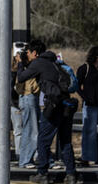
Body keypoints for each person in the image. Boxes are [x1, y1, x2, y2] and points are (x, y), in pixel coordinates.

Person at [16, 39, 77, 184]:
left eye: (29, 53)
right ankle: (71, 174)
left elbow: (21, 77)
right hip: (67, 104)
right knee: (66, 141)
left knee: (43, 140)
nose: (28, 55)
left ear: (35, 53)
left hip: (54, 106)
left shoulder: (38, 63)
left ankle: (42, 173)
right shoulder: (55, 62)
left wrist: (20, 63)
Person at [13, 44, 40, 169]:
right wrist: (21, 63)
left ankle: (25, 159)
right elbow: (21, 80)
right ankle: (26, 159)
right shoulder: (27, 68)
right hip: (28, 97)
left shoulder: (23, 67)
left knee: (28, 130)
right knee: (32, 131)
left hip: (26, 98)